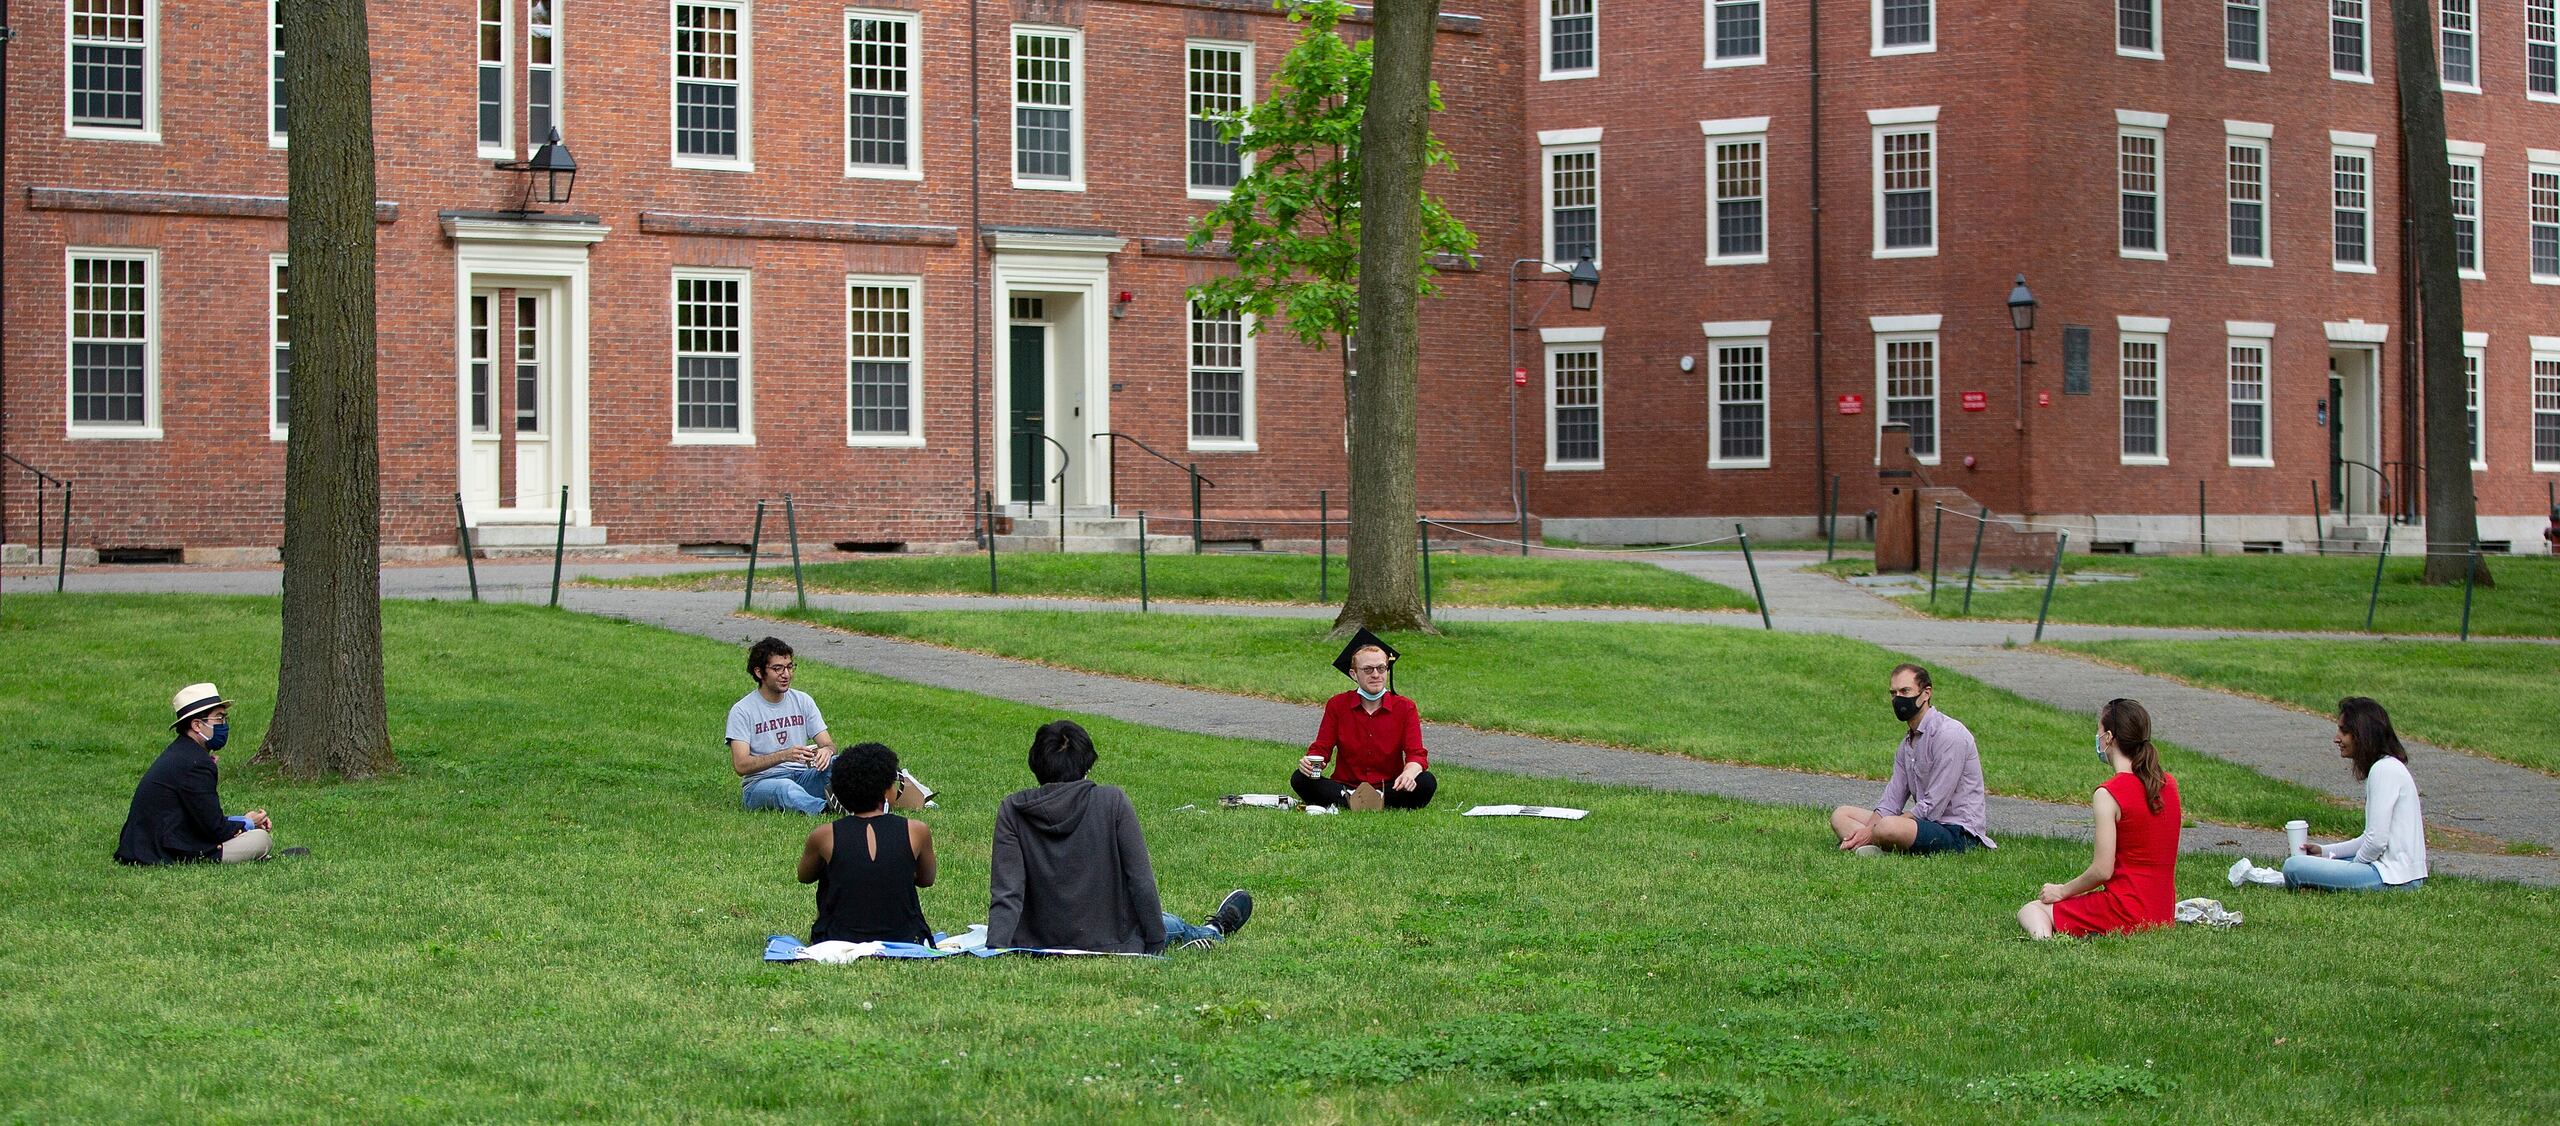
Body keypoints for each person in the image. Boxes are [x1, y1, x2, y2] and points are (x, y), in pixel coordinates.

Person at [988, 720, 1252, 953]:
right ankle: (1212, 930)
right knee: (1171, 924)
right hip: (1112, 938)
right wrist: (1155, 944)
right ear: (1086, 766)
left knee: (1164, 921)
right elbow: (1141, 880)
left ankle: (1206, 929)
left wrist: (997, 945)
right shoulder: (1111, 801)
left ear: (1036, 765)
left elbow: (1007, 891)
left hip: (1037, 938)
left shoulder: (1012, 808)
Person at [2018, 699, 2181, 939]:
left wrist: (2062, 891)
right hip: (2162, 913)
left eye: (2098, 731)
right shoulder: (2168, 785)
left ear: (2108, 737)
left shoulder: (2108, 793)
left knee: (2031, 909)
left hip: (2126, 911)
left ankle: (2046, 943)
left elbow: (2102, 870)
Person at [116, 683, 299, 865]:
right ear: (196, 725)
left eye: (224, 718)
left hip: (144, 845)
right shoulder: (196, 764)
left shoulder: (182, 753)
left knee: (252, 834)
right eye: (218, 719)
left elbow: (203, 817)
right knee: (261, 840)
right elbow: (215, 829)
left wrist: (243, 821)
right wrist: (248, 823)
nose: (224, 725)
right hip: (163, 851)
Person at [1830, 663, 1995, 855]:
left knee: (1888, 826)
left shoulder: (1950, 735)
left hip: (1958, 832)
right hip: (1922, 825)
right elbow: (1892, 800)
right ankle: (1875, 846)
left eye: (1905, 691)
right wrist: (1871, 829)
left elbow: (1932, 807)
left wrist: (1874, 830)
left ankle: (1871, 844)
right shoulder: (1907, 744)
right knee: (1841, 815)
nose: (1898, 699)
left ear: (1926, 693)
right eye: (1893, 693)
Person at [2282, 697, 2428, 892]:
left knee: (2294, 867)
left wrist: (2352, 867)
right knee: (2320, 860)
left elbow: (2375, 843)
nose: (2337, 738)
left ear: (2362, 734)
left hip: (2395, 879)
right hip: (2398, 873)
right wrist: (2326, 852)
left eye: (2344, 731)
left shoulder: (2383, 771)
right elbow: (2369, 838)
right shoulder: (2388, 767)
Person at [798, 743, 935, 945]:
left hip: (836, 937)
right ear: (887, 791)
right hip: (906, 936)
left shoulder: (824, 835)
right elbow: (926, 879)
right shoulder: (916, 830)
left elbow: (805, 876)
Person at [1294, 628, 1436, 811]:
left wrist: (1409, 772)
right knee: (1299, 778)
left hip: (1388, 786)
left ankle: (1367, 801)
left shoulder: (1405, 707)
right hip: (1345, 786)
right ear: (1354, 674)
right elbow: (1322, 748)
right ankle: (1357, 800)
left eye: (1381, 668)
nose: (1376, 674)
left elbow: (1416, 754)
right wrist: (1312, 763)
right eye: (1368, 669)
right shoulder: (1337, 705)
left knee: (1426, 781)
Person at [725, 637, 840, 813]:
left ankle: (876, 799)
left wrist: (827, 751)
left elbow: (828, 743)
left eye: (789, 667)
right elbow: (741, 766)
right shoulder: (742, 710)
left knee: (843, 763)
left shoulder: (803, 700)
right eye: (777, 668)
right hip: (761, 784)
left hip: (803, 777)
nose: (786, 674)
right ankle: (826, 810)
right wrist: (783, 755)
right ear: (759, 672)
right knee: (785, 788)